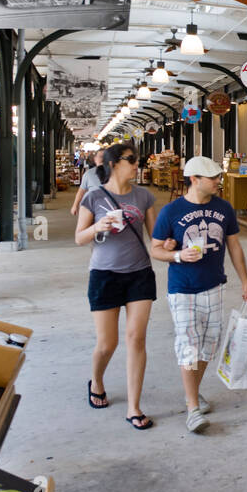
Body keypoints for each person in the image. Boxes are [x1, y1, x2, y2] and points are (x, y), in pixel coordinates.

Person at [151, 156, 247, 433]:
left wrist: (245, 281)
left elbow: (234, 247)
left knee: (209, 344)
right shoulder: (171, 212)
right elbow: (155, 248)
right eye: (214, 178)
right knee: (188, 344)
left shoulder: (224, 209)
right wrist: (177, 255)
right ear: (195, 179)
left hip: (214, 286)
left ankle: (191, 393)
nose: (219, 182)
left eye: (219, 177)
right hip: (182, 288)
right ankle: (193, 409)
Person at [74, 142, 158, 430]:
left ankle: (134, 407)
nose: (137, 164)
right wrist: (99, 227)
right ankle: (96, 380)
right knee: (107, 343)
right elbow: (79, 238)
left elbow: (155, 236)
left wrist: (170, 245)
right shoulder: (95, 198)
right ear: (113, 164)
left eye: (138, 159)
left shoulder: (144, 196)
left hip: (140, 274)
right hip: (104, 275)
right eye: (131, 160)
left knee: (136, 338)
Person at [70, 148, 104, 216]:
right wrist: (75, 205)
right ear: (95, 159)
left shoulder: (116, 173)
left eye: (105, 157)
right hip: (93, 208)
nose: (103, 159)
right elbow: (81, 191)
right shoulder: (88, 174)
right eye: (100, 156)